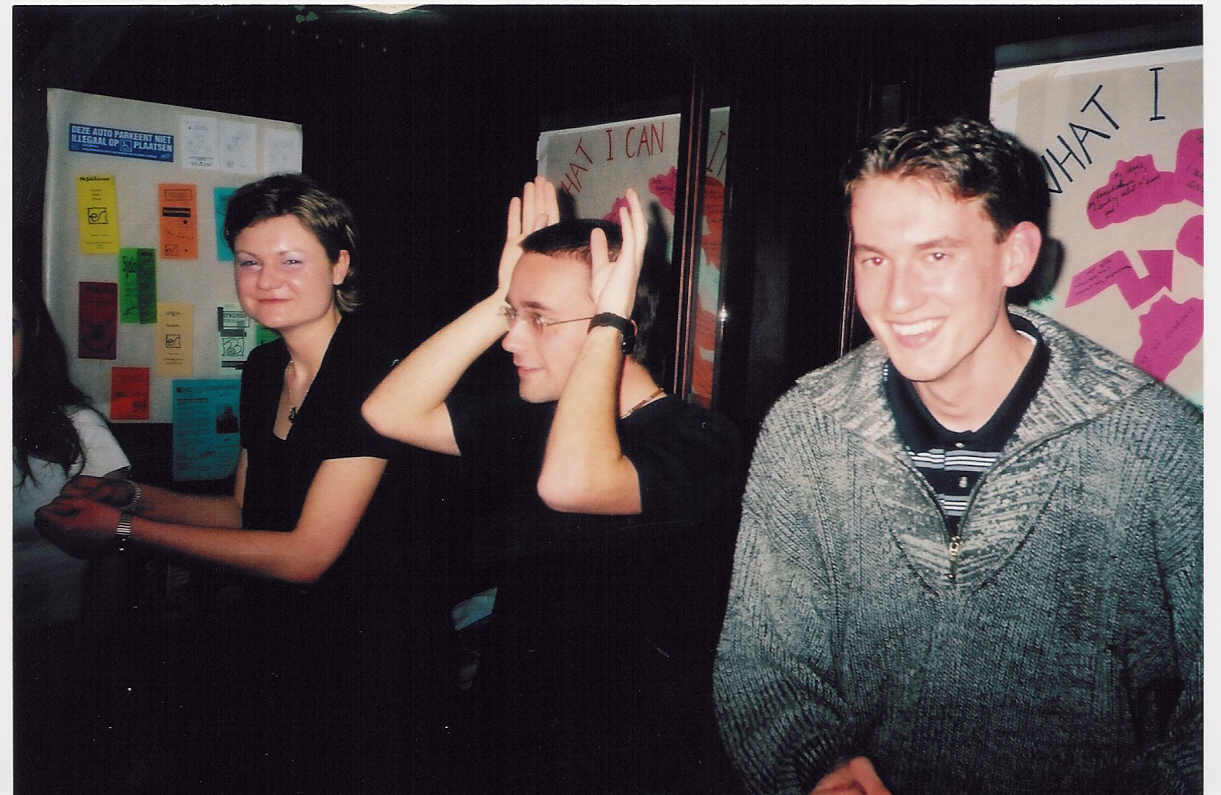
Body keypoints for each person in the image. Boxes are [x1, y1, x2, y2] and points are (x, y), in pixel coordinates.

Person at [713, 118, 1202, 794]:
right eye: (874, 259)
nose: (897, 299)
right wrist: (819, 767)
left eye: (936, 255)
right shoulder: (808, 430)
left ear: (1015, 256)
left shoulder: (1154, 441)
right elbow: (763, 664)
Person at [36, 173, 442, 792]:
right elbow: (243, 511)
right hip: (284, 639)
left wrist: (124, 530)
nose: (266, 279)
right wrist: (135, 497)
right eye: (249, 262)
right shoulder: (265, 366)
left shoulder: (372, 370)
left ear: (340, 266)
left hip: (372, 654)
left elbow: (306, 555)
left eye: (291, 260)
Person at [363, 176, 742, 790]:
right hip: (510, 740)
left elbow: (570, 484)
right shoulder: (536, 416)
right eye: (515, 318)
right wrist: (501, 298)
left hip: (624, 765)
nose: (511, 339)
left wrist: (608, 322)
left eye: (538, 320)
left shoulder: (698, 441)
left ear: (618, 326)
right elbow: (389, 411)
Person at [13, 279, 133, 790]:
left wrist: (91, 649)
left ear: (31, 337)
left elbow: (119, 545)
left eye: (8, 327)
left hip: (52, 648)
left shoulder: (76, 427)